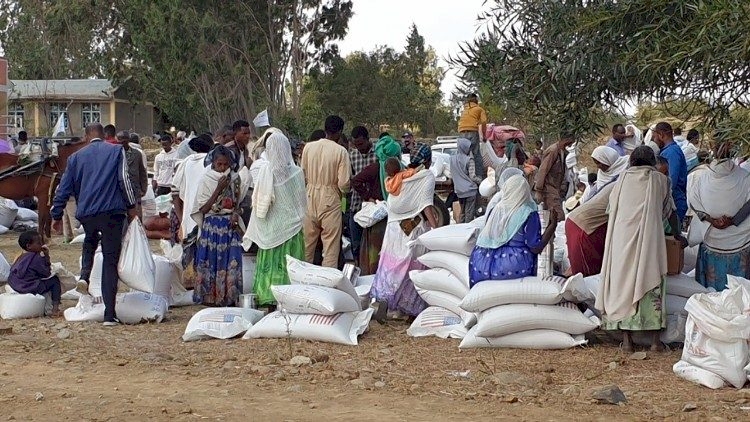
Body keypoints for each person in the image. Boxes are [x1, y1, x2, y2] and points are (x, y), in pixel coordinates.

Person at [596, 146, 681, 352]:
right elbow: (669, 212)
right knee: (650, 281)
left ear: (631, 161)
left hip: (621, 240)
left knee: (621, 285)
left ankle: (626, 341)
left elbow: (611, 211)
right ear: (652, 162)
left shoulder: (621, 181)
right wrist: (678, 235)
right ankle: (654, 342)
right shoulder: (660, 180)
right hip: (649, 241)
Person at [51, 123, 137, 326]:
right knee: (109, 261)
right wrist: (132, 206)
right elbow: (124, 180)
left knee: (90, 239)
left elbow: (64, 188)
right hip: (112, 213)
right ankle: (109, 314)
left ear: (86, 136)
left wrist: (56, 214)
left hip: (88, 213)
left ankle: (85, 276)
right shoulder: (116, 151)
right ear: (105, 135)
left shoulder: (75, 158)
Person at [371, 144, 439, 322]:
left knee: (392, 265)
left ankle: (387, 301)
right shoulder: (425, 176)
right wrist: (436, 230)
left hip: (394, 229)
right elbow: (426, 205)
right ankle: (410, 308)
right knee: (413, 267)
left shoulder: (397, 179)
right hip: (413, 228)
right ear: (427, 160)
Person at [243, 132, 306, 308]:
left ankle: (268, 296)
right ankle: (291, 299)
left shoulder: (263, 171)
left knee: (269, 264)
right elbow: (301, 203)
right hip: (291, 228)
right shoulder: (296, 173)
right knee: (290, 265)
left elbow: (259, 200)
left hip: (270, 228)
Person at [469, 175, 557, 286]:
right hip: (510, 267)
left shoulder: (495, 210)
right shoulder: (528, 213)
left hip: (480, 264)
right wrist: (552, 225)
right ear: (525, 192)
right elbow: (535, 248)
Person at [191, 146, 251, 306]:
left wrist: (236, 213)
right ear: (213, 164)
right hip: (212, 226)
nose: (223, 168)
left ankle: (229, 297)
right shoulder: (206, 180)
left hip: (230, 226)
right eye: (219, 165)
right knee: (211, 261)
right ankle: (210, 297)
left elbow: (241, 203)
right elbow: (202, 208)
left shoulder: (236, 179)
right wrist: (218, 189)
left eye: (226, 165)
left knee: (231, 261)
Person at [689, 141, 750, 291]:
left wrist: (713, 221)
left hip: (712, 240)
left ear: (712, 148)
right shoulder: (745, 176)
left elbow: (694, 202)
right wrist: (732, 221)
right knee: (739, 292)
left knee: (711, 293)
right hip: (740, 240)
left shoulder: (701, 177)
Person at [301, 116, 351, 268]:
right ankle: (328, 287)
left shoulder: (308, 147)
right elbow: (344, 184)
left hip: (309, 197)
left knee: (306, 247)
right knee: (330, 249)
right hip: (330, 199)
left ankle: (302, 283)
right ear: (340, 131)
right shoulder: (341, 151)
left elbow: (302, 174)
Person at [352, 135, 402, 275]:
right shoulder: (382, 168)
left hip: (385, 218)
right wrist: (369, 197)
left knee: (379, 253)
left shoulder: (387, 168)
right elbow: (356, 181)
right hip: (384, 218)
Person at [565, 181, 616, 277]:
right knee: (586, 275)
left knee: (584, 272)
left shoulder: (616, 182)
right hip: (583, 228)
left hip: (581, 224)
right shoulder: (622, 185)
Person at [7, 232, 62, 316]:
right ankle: (55, 308)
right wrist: (46, 256)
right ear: (29, 246)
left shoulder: (20, 256)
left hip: (15, 285)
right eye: (39, 243)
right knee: (54, 281)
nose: (42, 245)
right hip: (28, 286)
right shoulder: (36, 257)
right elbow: (46, 273)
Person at [348, 126, 376, 263]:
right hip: (356, 206)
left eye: (361, 144)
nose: (359, 147)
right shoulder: (352, 156)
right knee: (356, 244)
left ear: (367, 139)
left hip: (375, 208)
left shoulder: (378, 154)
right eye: (356, 145)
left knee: (374, 244)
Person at [533, 132, 574, 225]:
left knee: (551, 218)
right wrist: (539, 189)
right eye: (569, 142)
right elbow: (543, 170)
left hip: (555, 188)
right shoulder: (553, 151)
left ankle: (550, 238)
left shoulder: (561, 151)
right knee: (559, 216)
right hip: (549, 188)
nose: (570, 145)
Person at [652, 122, 688, 224]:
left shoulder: (672, 153)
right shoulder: (668, 151)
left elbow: (672, 180)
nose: (654, 140)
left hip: (675, 201)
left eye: (655, 137)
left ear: (661, 135)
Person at [116, 130, 148, 219]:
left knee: (136, 217)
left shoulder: (137, 154)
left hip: (135, 189)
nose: (121, 142)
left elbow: (142, 172)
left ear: (128, 140)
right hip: (120, 190)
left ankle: (138, 232)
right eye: (119, 140)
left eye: (124, 140)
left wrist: (143, 189)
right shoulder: (115, 154)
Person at [450, 137, 482, 223]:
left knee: (462, 213)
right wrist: (481, 181)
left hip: (459, 192)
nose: (469, 149)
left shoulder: (452, 159)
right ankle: (468, 231)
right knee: (469, 214)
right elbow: (473, 177)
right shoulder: (469, 160)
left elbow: (452, 174)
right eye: (468, 147)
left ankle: (460, 230)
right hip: (470, 190)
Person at [457, 93, 488, 179]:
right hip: (472, 132)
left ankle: (463, 175)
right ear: (476, 101)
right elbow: (484, 122)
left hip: (461, 132)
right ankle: (479, 177)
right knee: (476, 154)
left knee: (463, 155)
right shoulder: (479, 109)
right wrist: (484, 136)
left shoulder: (464, 110)